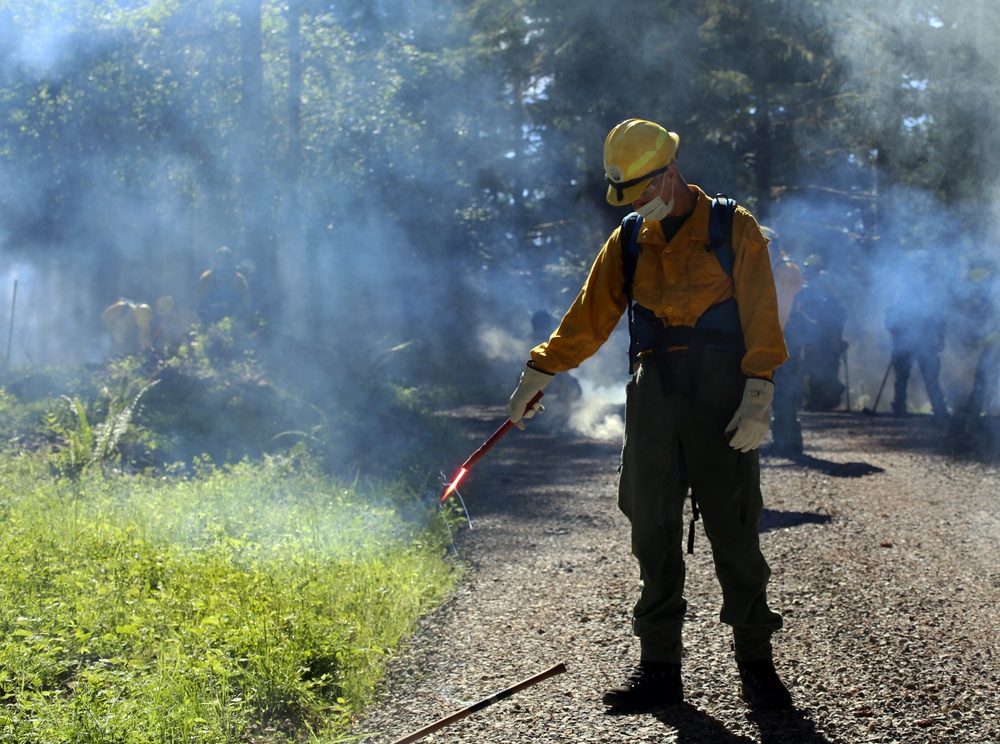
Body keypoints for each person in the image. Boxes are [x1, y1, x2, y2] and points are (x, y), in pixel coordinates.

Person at [507, 119, 793, 711]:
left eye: (641, 191)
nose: (636, 204)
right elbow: (589, 317)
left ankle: (756, 667)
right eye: (629, 197)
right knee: (651, 529)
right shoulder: (631, 238)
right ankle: (659, 668)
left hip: (722, 395)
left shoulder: (733, 228)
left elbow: (763, 314)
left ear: (669, 171)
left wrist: (758, 392)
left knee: (734, 528)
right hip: (654, 394)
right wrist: (541, 371)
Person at [765, 229, 806, 455]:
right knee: (780, 388)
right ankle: (783, 440)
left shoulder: (786, 270)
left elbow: (782, 309)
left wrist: (772, 339)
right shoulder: (777, 267)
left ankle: (789, 442)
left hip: (787, 337)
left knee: (785, 389)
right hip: (783, 335)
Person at [885, 298, 948, 419]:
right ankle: (900, 409)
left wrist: (941, 337)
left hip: (921, 346)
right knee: (904, 379)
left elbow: (940, 322)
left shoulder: (902, 306)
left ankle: (939, 411)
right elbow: (889, 325)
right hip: (907, 346)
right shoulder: (900, 307)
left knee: (928, 379)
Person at [195, 247, 251, 325]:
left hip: (226, 321)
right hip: (218, 320)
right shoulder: (238, 278)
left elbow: (198, 298)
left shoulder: (207, 276)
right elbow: (246, 303)